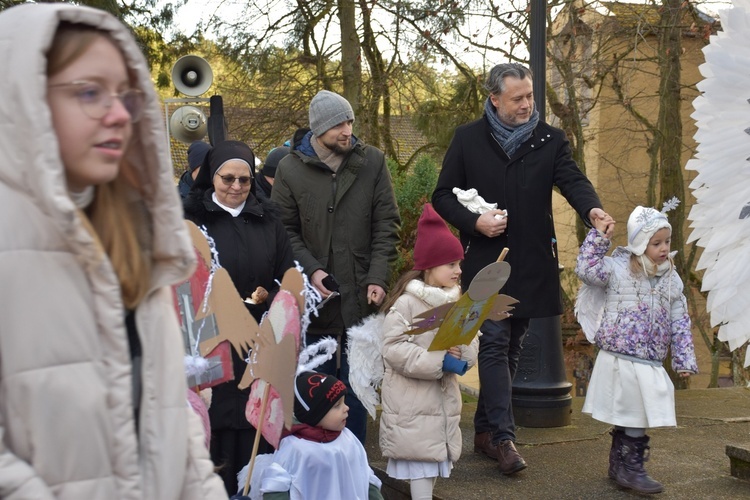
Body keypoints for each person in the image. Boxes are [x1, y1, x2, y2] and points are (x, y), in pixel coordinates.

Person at [0, 4, 226, 498]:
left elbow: (167, 411)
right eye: (88, 92)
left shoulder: (132, 237)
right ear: (22, 100)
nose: (121, 113)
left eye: (125, 95)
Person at [432, 62, 612, 475]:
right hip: (486, 262)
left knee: (512, 347)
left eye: (530, 96)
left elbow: (572, 179)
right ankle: (503, 437)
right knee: (494, 342)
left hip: (532, 262)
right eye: (518, 98)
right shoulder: (467, 139)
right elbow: (442, 196)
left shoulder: (549, 139)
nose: (527, 105)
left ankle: (483, 431)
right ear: (494, 99)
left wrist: (592, 208)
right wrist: (474, 222)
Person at [271, 90, 401, 444]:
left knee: (358, 385)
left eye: (350, 121)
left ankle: (356, 463)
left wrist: (377, 276)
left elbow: (386, 224)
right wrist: (312, 270)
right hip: (316, 302)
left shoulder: (371, 161)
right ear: (319, 130)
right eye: (339, 124)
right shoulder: (289, 168)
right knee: (316, 388)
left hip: (361, 295)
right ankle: (317, 463)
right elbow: (283, 232)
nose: (348, 130)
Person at [183, 140, 295, 494]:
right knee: (213, 424)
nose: (236, 187)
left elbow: (288, 274)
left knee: (253, 420)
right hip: (210, 339)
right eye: (227, 179)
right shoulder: (191, 223)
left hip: (259, 340)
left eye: (244, 180)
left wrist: (273, 295)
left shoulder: (269, 222)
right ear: (212, 178)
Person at [575, 206, 697, 494]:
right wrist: (598, 238)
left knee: (636, 411)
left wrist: (683, 357)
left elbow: (680, 319)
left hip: (650, 359)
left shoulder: (672, 280)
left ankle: (621, 463)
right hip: (620, 355)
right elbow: (586, 269)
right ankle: (631, 467)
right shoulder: (617, 269)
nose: (664, 248)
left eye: (667, 242)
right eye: (656, 243)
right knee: (634, 413)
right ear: (640, 243)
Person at [378, 204, 479, 500]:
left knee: (431, 468)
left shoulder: (457, 301)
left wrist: (462, 351)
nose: (459, 271)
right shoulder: (407, 304)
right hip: (413, 408)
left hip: (440, 406)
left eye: (459, 264)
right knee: (422, 468)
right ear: (431, 266)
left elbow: (470, 340)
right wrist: (440, 360)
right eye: (451, 264)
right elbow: (393, 348)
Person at [245, 371, 384, 499]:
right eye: (337, 405)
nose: (346, 408)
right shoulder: (294, 447)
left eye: (344, 402)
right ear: (315, 415)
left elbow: (365, 477)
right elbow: (276, 489)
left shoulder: (349, 439)